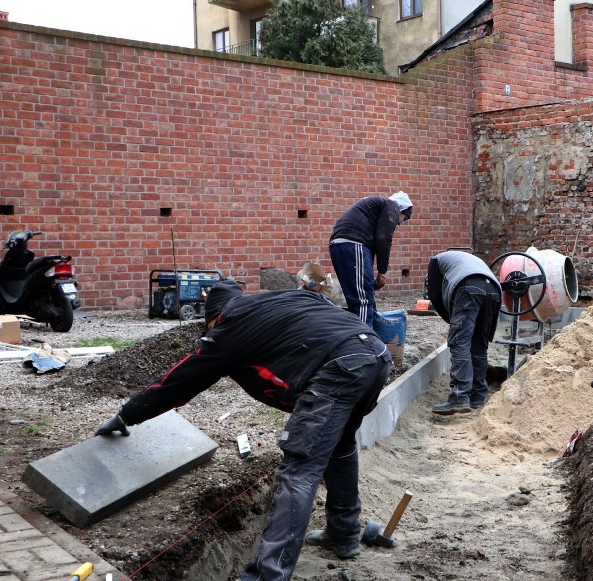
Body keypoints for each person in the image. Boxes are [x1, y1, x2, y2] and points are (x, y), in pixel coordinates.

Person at [94, 279, 392, 581]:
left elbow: (180, 381)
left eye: (209, 326)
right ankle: (344, 535)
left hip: (338, 370)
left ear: (214, 317)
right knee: (340, 447)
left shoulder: (228, 328)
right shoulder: (283, 299)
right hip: (376, 354)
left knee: (300, 470)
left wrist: (127, 415)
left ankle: (268, 575)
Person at [426, 250, 502, 415]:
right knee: (479, 345)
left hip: (468, 287)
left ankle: (459, 397)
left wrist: (454, 322)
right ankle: (477, 395)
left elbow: (434, 295)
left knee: (459, 341)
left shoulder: (435, 261)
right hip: (494, 289)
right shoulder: (465, 260)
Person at [329, 191, 413, 328]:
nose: (401, 224)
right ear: (402, 210)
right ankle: (365, 342)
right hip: (352, 244)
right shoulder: (392, 206)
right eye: (405, 218)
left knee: (357, 295)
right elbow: (384, 238)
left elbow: (372, 247)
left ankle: (359, 336)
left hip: (339, 246)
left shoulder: (375, 209)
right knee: (362, 301)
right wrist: (382, 272)